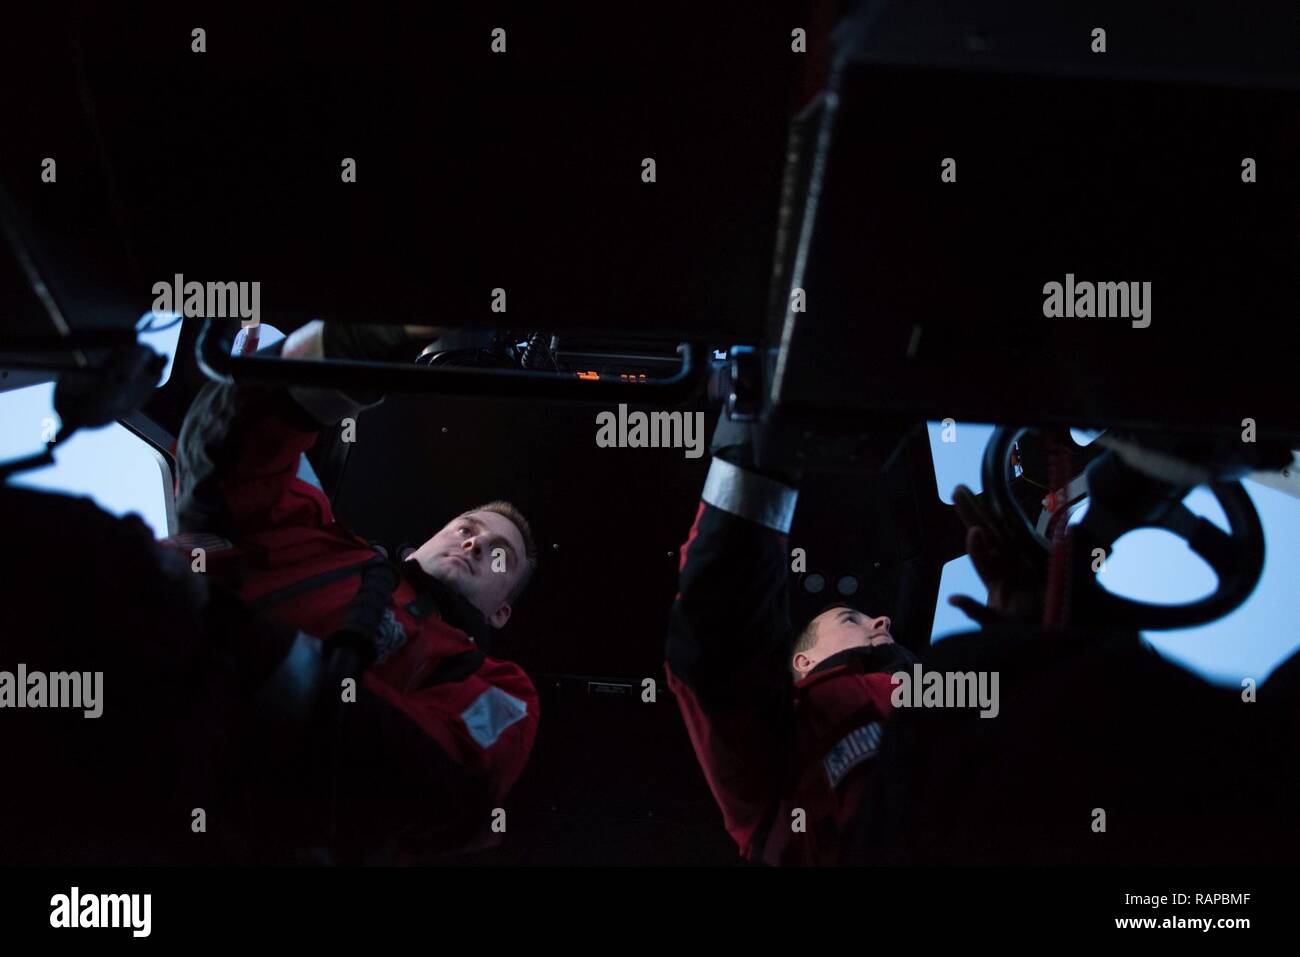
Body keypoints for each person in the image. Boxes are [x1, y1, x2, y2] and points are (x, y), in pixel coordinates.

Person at [173, 320, 540, 861]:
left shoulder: (496, 689)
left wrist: (255, 656)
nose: (475, 544)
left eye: (497, 552)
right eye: (467, 528)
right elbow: (226, 468)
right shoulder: (317, 540)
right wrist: (343, 346)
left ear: (503, 611)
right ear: (423, 544)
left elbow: (441, 776)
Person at [664, 412, 920, 865]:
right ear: (801, 662)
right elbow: (717, 635)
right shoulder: (780, 740)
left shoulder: (959, 691)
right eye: (850, 618)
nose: (881, 620)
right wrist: (757, 449)